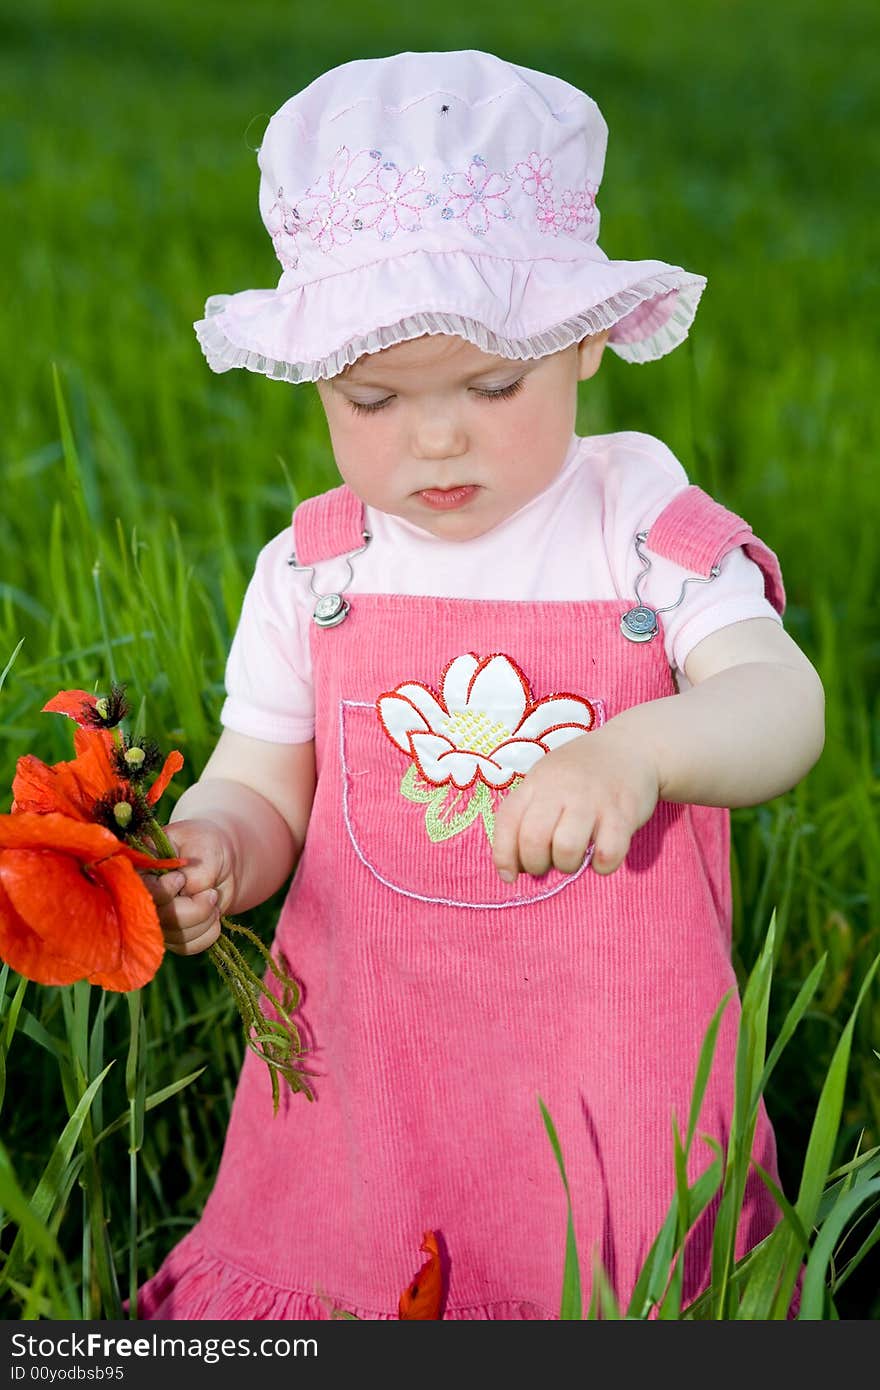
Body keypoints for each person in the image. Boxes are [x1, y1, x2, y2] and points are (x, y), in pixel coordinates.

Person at [135, 50, 824, 1320]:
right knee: (354, 1263)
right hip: (369, 1074)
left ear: (582, 347)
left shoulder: (641, 528)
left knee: (616, 1276)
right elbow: (263, 785)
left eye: (492, 385)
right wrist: (215, 852)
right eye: (374, 397)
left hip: (611, 1070)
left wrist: (639, 751)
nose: (435, 436)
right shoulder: (315, 566)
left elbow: (780, 704)